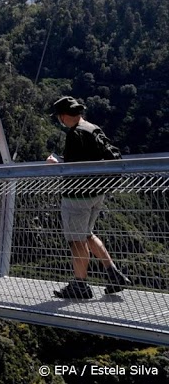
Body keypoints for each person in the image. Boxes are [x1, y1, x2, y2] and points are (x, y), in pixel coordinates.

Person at [47, 96, 131, 299]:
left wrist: (55, 164)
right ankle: (113, 274)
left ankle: (80, 285)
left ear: (64, 116)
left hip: (78, 195)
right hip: (97, 193)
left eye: (59, 116)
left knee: (76, 240)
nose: (59, 120)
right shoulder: (93, 128)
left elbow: (72, 170)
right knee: (87, 234)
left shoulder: (75, 134)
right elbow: (85, 161)